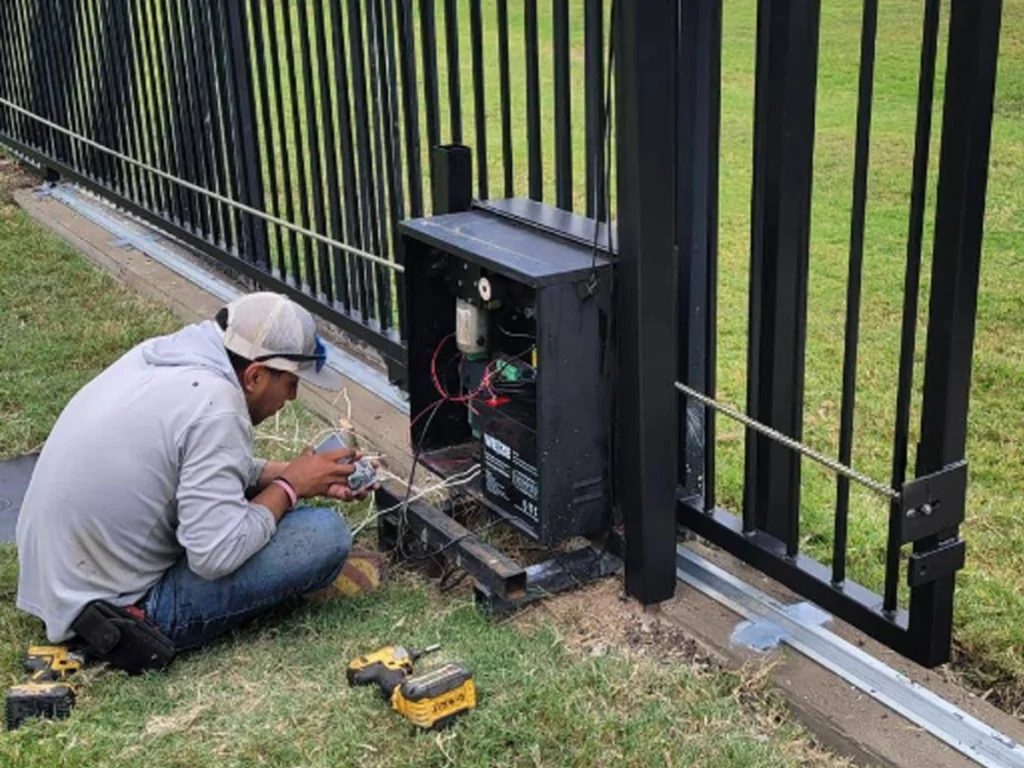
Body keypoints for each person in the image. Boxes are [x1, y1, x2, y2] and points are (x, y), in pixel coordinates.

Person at [16, 292, 381, 660]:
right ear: (255, 376)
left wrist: (287, 473)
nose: (293, 397)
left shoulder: (165, 357)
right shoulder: (217, 406)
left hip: (59, 586)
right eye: (291, 383)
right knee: (323, 534)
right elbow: (215, 555)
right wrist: (290, 487)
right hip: (117, 617)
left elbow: (196, 466)